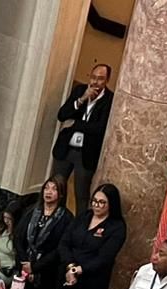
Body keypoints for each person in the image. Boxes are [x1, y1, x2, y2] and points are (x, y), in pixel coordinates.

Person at [51, 184, 126, 289]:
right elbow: (64, 243)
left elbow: (104, 258)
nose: (96, 205)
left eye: (102, 202)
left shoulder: (117, 227)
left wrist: (79, 270)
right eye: (94, 201)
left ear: (111, 204)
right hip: (66, 275)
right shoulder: (83, 217)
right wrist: (70, 267)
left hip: (90, 284)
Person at [50, 64, 114, 213]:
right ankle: (56, 218)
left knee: (81, 194)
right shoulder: (80, 90)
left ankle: (80, 223)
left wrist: (75, 124)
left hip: (86, 154)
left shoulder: (110, 99)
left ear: (107, 80)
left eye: (100, 79)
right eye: (93, 77)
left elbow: (100, 128)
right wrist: (82, 99)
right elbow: (62, 115)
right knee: (57, 189)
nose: (95, 82)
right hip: (65, 149)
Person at [18, 178, 72, 289]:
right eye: (47, 188)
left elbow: (59, 249)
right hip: (24, 267)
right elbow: (18, 237)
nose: (49, 192)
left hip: (46, 272)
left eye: (54, 189)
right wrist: (25, 263)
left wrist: (34, 267)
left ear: (61, 194)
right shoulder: (32, 211)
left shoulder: (66, 218)